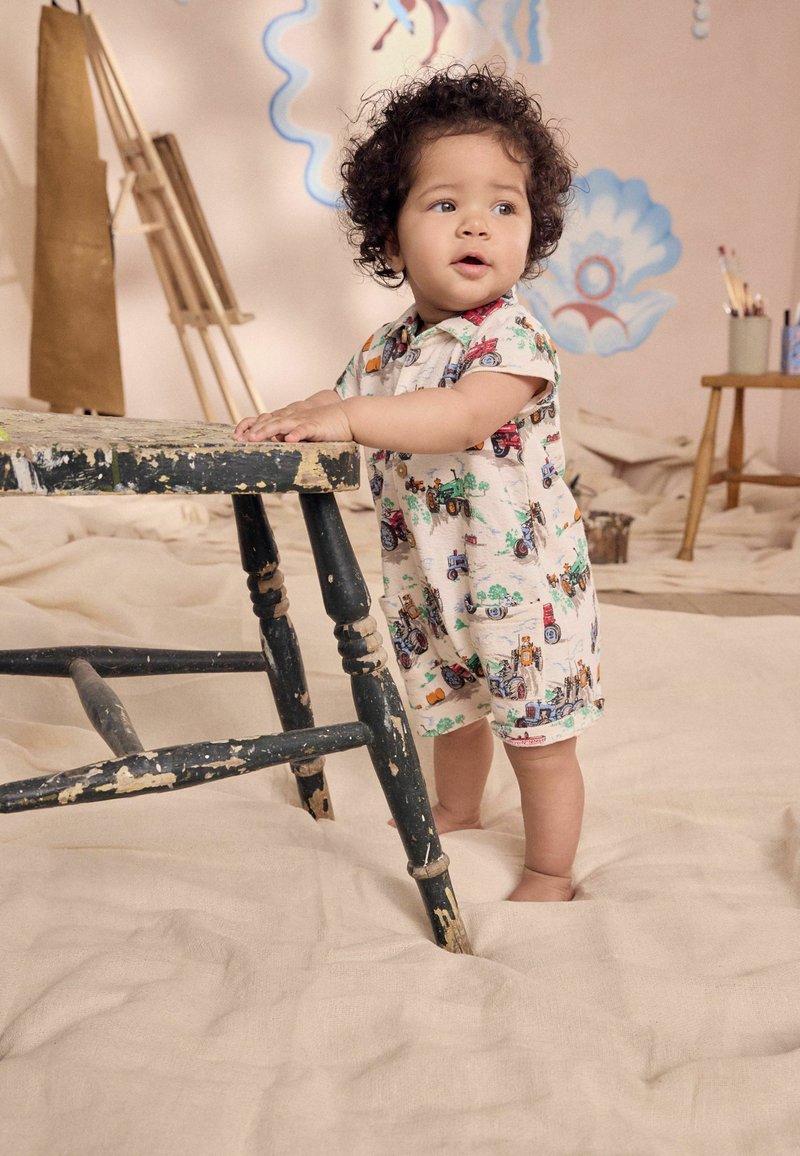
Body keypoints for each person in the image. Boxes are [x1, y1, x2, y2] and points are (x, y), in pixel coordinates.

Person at [235, 63, 604, 902]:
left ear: (533, 231)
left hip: (523, 587)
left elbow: (459, 418)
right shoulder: (390, 346)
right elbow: (343, 395)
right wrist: (299, 413)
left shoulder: (513, 342)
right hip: (430, 577)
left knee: (539, 737)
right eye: (444, 205)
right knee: (452, 707)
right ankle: (457, 809)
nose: (476, 223)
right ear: (393, 241)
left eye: (504, 207)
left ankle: (550, 870)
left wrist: (348, 419)